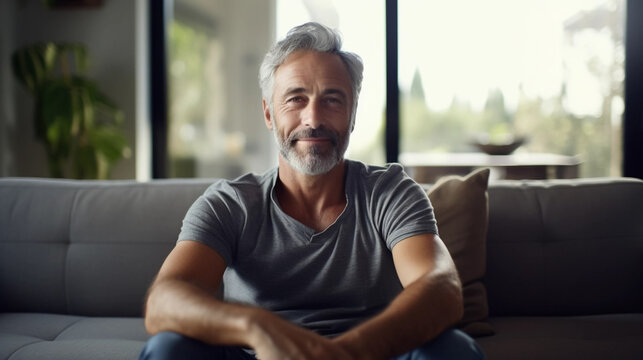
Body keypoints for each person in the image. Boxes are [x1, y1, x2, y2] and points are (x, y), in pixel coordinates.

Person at [140, 22, 484, 360]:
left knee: (453, 349)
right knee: (169, 348)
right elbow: (164, 300)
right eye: (295, 99)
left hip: (370, 354)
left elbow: (442, 288)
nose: (313, 118)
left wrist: (349, 351)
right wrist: (257, 328)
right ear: (269, 114)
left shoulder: (390, 192)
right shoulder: (230, 204)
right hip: (260, 355)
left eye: (332, 100)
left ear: (352, 115)